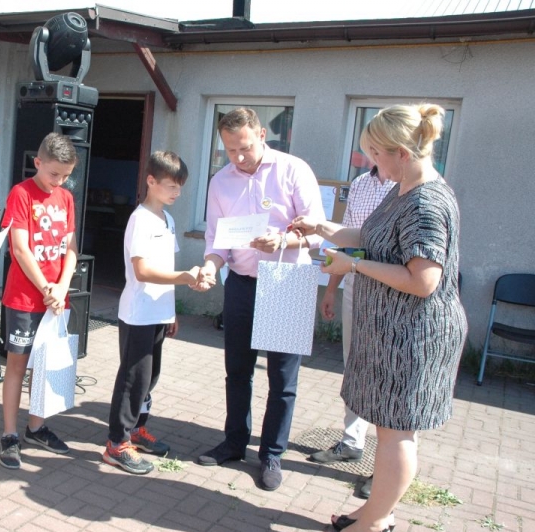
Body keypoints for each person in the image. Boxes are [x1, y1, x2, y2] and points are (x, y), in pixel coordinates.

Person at [292, 104, 467, 532]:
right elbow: (370, 236)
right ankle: (374, 511)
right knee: (389, 430)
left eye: (376, 153)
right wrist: (322, 228)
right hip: (392, 334)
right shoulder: (403, 189)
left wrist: (353, 266)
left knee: (396, 434)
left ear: (402, 153)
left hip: (413, 338)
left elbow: (423, 281)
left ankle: (374, 526)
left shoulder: (426, 202)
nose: (371, 162)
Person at [195, 107, 326, 492]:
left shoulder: (293, 170)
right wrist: (209, 267)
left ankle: (271, 453)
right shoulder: (220, 182)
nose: (239, 157)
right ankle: (235, 442)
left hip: (287, 279)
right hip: (242, 282)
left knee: (282, 378)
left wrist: (284, 240)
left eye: (245, 148)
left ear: (262, 135)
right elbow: (216, 239)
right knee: (237, 370)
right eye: (230, 150)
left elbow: (318, 232)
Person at [103, 151, 205, 475]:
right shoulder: (141, 219)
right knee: (133, 379)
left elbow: (165, 265)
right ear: (151, 181)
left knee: (150, 378)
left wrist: (171, 313)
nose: (177, 192)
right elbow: (143, 271)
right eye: (171, 186)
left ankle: (136, 430)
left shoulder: (167, 219)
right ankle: (116, 444)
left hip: (158, 313)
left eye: (180, 186)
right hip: (138, 314)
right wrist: (186, 278)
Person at [310, 165, 395, 499]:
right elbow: (348, 241)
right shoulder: (361, 183)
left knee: (387, 376)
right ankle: (351, 442)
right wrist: (332, 288)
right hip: (356, 286)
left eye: (378, 148)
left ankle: (387, 468)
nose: (373, 155)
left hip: (391, 294)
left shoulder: (412, 186)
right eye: (370, 148)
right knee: (354, 366)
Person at [0, 132, 79, 469]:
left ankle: (36, 426)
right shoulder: (21, 194)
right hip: (24, 298)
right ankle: (9, 434)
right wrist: (47, 288)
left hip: (55, 299)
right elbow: (19, 249)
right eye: (53, 173)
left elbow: (71, 250)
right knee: (17, 366)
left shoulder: (66, 198)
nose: (58, 181)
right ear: (38, 163)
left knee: (46, 364)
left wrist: (61, 287)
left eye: (65, 175)